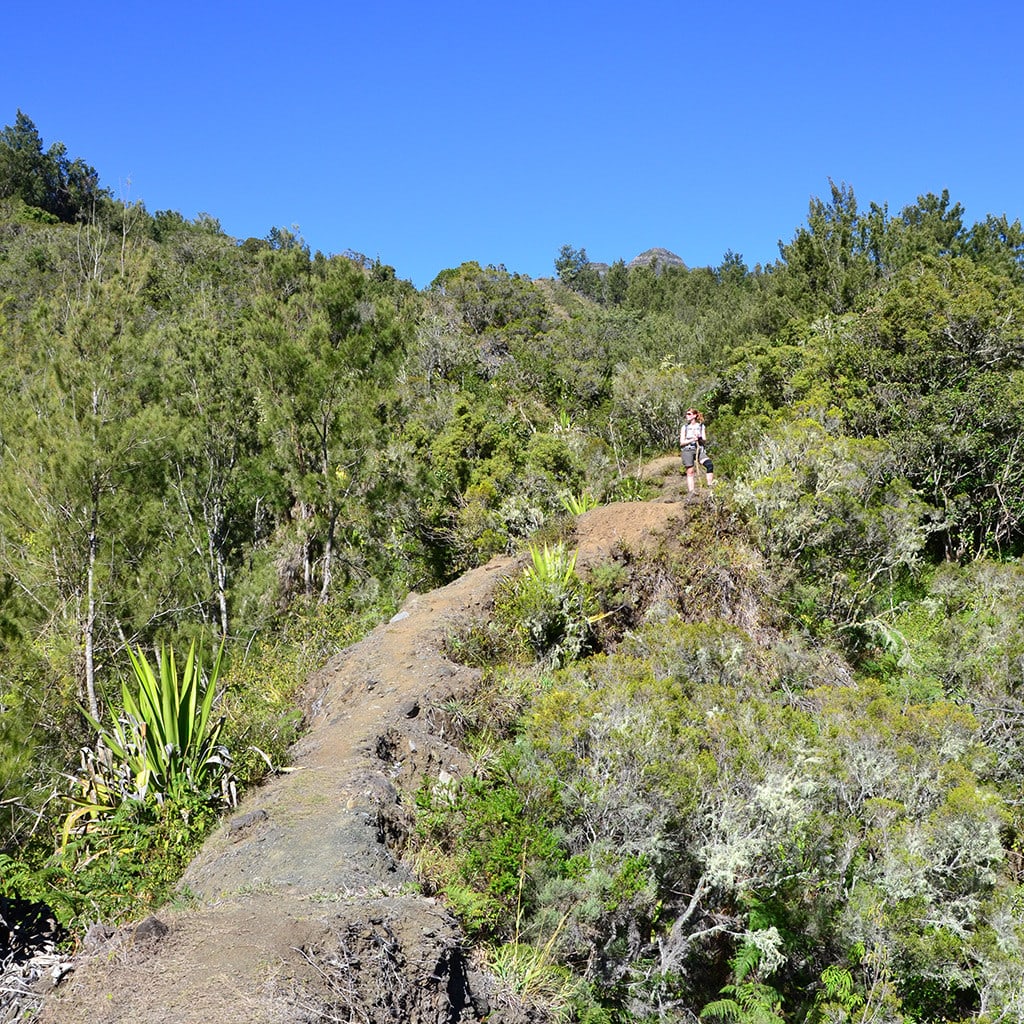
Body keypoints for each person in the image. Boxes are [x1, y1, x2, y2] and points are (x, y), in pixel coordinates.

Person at [679, 407, 714, 493]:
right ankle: (692, 492)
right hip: (687, 450)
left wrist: (699, 438)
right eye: (687, 414)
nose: (687, 416)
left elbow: (704, 440)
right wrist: (691, 440)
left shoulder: (701, 426)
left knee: (709, 465)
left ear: (694, 415)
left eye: (689, 414)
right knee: (690, 471)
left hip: (699, 449)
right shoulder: (685, 427)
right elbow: (682, 442)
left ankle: (710, 487)